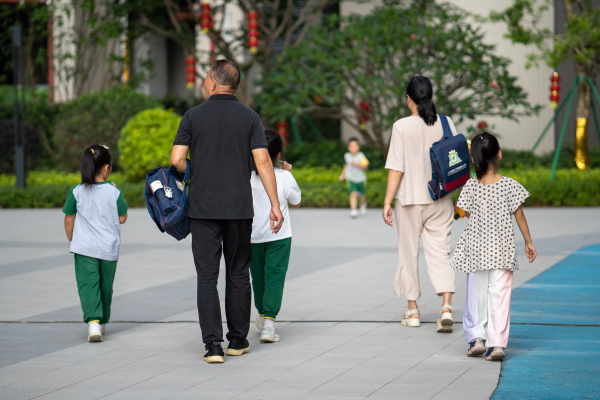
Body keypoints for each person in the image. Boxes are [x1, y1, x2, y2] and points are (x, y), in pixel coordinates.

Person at [170, 59, 284, 364]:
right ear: (234, 85)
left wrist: (196, 171)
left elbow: (177, 158)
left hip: (203, 208)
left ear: (211, 82)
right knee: (238, 273)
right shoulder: (249, 117)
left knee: (207, 277)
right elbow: (263, 163)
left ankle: (213, 346)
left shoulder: (193, 116)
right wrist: (274, 204)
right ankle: (237, 340)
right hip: (238, 208)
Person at [451, 132, 536, 361]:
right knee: (500, 295)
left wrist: (461, 195)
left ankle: (476, 339)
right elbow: (519, 216)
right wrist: (528, 242)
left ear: (473, 160)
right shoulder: (510, 185)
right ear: (499, 154)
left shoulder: (470, 185)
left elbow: (464, 213)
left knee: (475, 295)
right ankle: (497, 344)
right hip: (502, 249)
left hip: (476, 249)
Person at [382, 76, 457, 333]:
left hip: (410, 200)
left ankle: (413, 310)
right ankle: (446, 308)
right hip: (440, 198)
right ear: (432, 97)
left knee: (408, 253)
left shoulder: (401, 126)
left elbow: (396, 169)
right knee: (441, 252)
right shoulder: (446, 122)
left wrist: (386, 201)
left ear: (408, 100)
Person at [62, 144, 128, 342]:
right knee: (106, 286)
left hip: (84, 247)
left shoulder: (76, 191)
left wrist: (70, 238)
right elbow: (122, 218)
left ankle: (93, 325)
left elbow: (68, 219)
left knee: (88, 285)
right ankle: (103, 322)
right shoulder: (114, 192)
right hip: (108, 248)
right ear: (107, 168)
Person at [250, 130, 301, 343]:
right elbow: (296, 201)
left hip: (251, 235)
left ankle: (262, 315)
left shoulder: (246, 176)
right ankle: (268, 325)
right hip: (279, 236)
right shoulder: (284, 176)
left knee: (258, 277)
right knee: (275, 276)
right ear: (278, 154)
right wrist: (287, 172)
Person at [338, 137, 369, 217]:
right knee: (353, 193)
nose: (353, 148)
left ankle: (363, 204)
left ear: (358, 147)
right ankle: (354, 209)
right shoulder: (347, 155)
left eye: (355, 146)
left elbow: (365, 166)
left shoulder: (361, 155)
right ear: (348, 148)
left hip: (361, 178)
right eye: (351, 146)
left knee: (362, 194)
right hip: (350, 177)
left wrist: (356, 164)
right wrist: (342, 175)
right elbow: (346, 165)